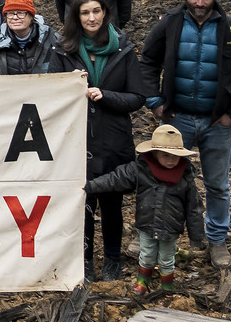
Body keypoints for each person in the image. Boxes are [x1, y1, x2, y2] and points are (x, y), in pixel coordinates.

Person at [139, 0, 231, 269]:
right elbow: (147, 62)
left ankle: (217, 240)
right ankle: (150, 234)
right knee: (160, 181)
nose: (201, 2)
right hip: (175, 118)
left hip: (216, 121)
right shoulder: (169, 23)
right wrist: (155, 102)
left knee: (218, 184)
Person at [62, 0, 144, 282]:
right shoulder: (64, 50)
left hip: (113, 140)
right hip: (77, 141)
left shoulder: (123, 49)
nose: (91, 18)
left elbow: (137, 97)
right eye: (85, 12)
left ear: (105, 13)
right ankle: (83, 261)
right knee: (82, 206)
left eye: (96, 11)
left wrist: (104, 95)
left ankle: (112, 258)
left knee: (112, 206)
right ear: (76, 16)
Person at [85, 126, 206, 295]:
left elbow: (194, 208)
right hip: (147, 223)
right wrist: (92, 185)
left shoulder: (185, 176)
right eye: (166, 155)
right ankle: (142, 283)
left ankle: (167, 286)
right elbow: (117, 178)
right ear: (154, 153)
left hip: (171, 227)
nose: (171, 160)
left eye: (175, 156)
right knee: (147, 255)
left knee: (166, 258)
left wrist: (196, 235)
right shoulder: (141, 169)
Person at [0, 0, 68, 75]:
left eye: (21, 13)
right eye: (10, 13)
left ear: (31, 16)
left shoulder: (52, 40)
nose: (15, 17)